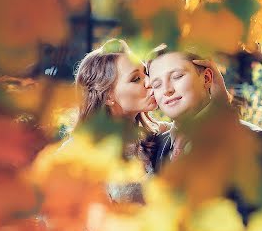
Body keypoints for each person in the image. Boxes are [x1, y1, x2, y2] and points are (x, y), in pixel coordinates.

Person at [145, 46, 262, 231]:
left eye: (177, 76)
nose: (167, 90)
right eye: (156, 84)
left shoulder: (254, 142)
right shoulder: (157, 146)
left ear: (207, 77)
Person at [72, 39, 230, 203]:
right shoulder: (80, 156)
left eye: (145, 74)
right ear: (108, 96)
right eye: (135, 79)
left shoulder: (153, 138)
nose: (150, 83)